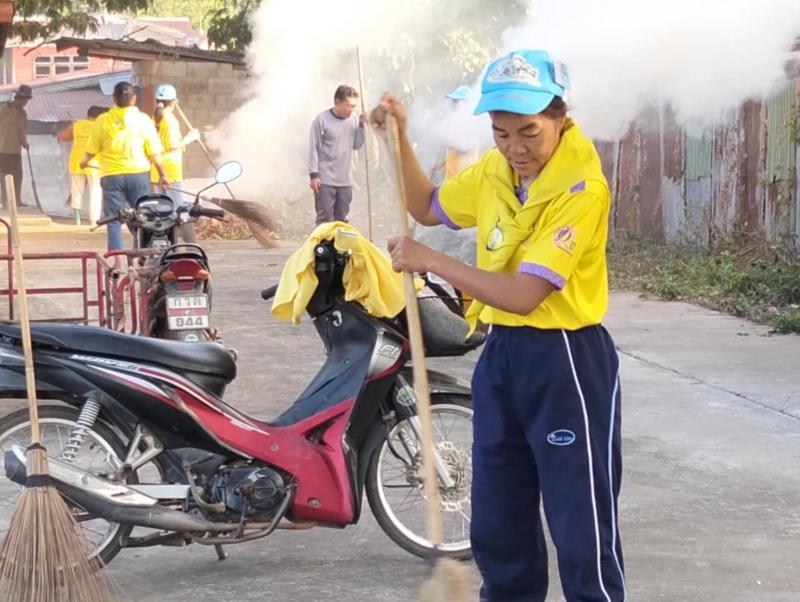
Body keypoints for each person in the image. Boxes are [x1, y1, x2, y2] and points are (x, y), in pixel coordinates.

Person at [377, 50, 625, 602]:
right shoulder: (495, 171)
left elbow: (524, 295)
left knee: (580, 524)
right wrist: (397, 137)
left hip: (565, 361)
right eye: (501, 132)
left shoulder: (581, 190)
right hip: (502, 355)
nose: (516, 148)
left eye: (529, 132)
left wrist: (432, 261)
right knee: (498, 520)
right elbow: (427, 206)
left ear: (559, 117)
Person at [81, 82, 169, 270]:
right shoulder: (143, 120)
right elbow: (154, 153)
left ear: (113, 98)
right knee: (141, 217)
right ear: (133, 99)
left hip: (111, 176)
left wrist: (84, 161)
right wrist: (163, 175)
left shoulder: (102, 121)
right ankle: (139, 257)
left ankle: (118, 262)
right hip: (138, 175)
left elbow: (91, 150)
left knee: (114, 220)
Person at [308, 84, 367, 225]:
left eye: (353, 106)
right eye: (348, 106)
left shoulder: (354, 120)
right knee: (325, 220)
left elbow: (356, 145)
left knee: (342, 219)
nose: (351, 110)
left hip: (345, 179)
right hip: (325, 179)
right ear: (337, 102)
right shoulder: (321, 120)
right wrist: (314, 175)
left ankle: (339, 240)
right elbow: (313, 148)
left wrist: (361, 126)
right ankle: (323, 240)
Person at [150, 83, 200, 243]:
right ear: (173, 103)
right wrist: (190, 138)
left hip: (157, 170)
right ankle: (192, 244)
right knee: (180, 209)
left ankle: (166, 243)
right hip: (170, 171)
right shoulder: (170, 120)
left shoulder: (154, 118)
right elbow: (172, 145)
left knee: (163, 211)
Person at [57, 105, 108, 225]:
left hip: (77, 162)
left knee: (76, 191)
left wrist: (75, 127)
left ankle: (77, 220)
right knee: (95, 192)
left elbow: (63, 137)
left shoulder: (77, 125)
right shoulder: (101, 126)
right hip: (94, 163)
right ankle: (94, 220)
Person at [431, 84, 480, 185]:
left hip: (465, 180)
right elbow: (450, 150)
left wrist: (447, 142)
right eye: (454, 101)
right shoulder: (455, 123)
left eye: (456, 101)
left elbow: (466, 147)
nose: (453, 104)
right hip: (451, 179)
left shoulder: (471, 123)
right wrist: (440, 164)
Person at [0, 85, 32, 208]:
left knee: (18, 176)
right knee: (3, 177)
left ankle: (17, 201)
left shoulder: (23, 114)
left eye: (27, 100)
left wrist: (24, 142)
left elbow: (22, 131)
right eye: (24, 100)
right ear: (18, 98)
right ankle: (5, 201)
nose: (25, 103)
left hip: (15, 150)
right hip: (2, 150)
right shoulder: (3, 110)